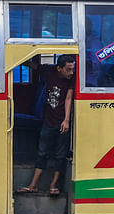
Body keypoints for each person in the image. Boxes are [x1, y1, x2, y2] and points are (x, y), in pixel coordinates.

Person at [18, 54, 76, 195]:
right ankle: (33, 185)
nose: (71, 73)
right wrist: (18, 60)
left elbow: (68, 99)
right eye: (68, 69)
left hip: (62, 122)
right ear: (59, 68)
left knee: (60, 155)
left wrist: (66, 120)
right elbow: (33, 65)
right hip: (48, 120)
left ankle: (53, 185)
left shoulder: (72, 80)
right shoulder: (49, 71)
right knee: (42, 153)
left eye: (72, 69)